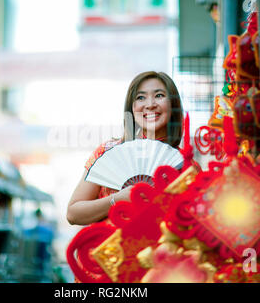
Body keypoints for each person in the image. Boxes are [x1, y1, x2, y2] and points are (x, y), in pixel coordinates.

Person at [66, 71, 183, 226]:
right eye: (141, 97)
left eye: (159, 95)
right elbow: (73, 214)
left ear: (173, 105)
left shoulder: (185, 164)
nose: (150, 104)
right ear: (132, 110)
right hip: (109, 247)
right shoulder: (107, 152)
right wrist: (117, 199)